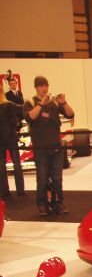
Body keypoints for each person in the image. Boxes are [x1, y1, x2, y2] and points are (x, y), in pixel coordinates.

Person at [24, 75, 74, 215]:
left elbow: (70, 114)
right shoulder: (30, 102)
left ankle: (58, 202)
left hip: (56, 146)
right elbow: (30, 117)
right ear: (36, 87)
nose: (44, 88)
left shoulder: (54, 103)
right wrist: (41, 103)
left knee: (57, 177)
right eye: (41, 86)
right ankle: (42, 204)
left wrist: (63, 103)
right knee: (42, 177)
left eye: (46, 85)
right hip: (40, 147)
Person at [0, 90, 25, 198]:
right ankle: (20, 190)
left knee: (1, 166)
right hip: (10, 136)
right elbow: (20, 112)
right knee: (16, 163)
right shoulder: (9, 104)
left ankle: (4, 191)